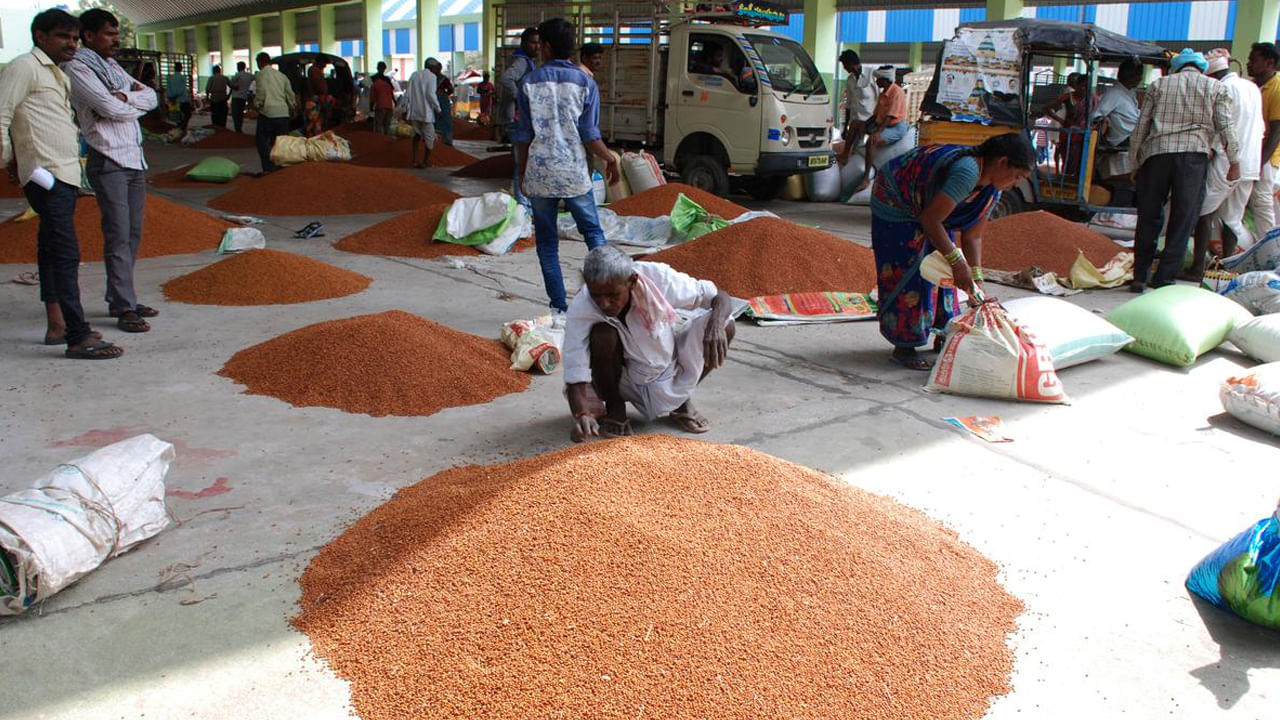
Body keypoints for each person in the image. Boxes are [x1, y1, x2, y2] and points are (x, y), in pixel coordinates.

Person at [0, 8, 122, 358]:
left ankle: (57, 326)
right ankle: (78, 335)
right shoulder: (24, 66)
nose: (71, 44)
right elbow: (3, 112)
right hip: (47, 175)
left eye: (73, 38)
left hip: (64, 174)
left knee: (51, 251)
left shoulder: (56, 73)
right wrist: (7, 158)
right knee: (66, 254)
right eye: (62, 37)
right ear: (40, 36)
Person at [870, 133, 1035, 370]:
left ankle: (942, 332)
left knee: (945, 269)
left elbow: (973, 235)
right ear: (1002, 162)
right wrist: (959, 264)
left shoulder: (993, 187)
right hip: (897, 198)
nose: (1016, 183)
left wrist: (975, 279)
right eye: (1018, 175)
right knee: (914, 270)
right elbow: (930, 219)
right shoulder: (967, 172)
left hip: (929, 210)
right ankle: (904, 345)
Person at [563, 246, 735, 442]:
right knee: (602, 334)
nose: (603, 304)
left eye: (612, 295)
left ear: (631, 281)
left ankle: (681, 399)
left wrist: (716, 325)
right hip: (626, 378)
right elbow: (574, 364)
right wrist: (581, 413)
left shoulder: (658, 277)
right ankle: (615, 407)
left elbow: (718, 297)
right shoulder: (582, 305)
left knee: (726, 325)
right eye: (597, 295)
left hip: (669, 364)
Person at [511, 17, 621, 315]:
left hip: (540, 175)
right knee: (594, 236)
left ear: (545, 46)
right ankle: (610, 301)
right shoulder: (586, 82)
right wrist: (610, 158)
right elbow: (590, 135)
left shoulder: (528, 83)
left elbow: (523, 135)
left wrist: (522, 174)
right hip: (573, 174)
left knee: (547, 244)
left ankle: (559, 309)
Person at [64, 7, 160, 335]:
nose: (116, 40)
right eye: (109, 33)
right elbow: (108, 108)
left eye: (117, 33)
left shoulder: (113, 66)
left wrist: (126, 98)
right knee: (118, 234)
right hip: (108, 160)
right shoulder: (78, 68)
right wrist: (126, 102)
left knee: (132, 234)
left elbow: (152, 96)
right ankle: (123, 305)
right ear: (89, 36)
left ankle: (120, 296)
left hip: (134, 158)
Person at [1128, 49, 1238, 293]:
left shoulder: (1159, 85)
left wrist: (1134, 164)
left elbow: (1140, 129)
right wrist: (1235, 161)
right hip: (1193, 158)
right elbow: (1227, 128)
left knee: (1149, 217)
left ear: (1176, 67)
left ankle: (1139, 276)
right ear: (1201, 68)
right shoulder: (1215, 87)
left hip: (1156, 156)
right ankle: (1164, 278)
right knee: (1183, 218)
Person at [1190, 49, 1264, 275]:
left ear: (1211, 76)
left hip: (1228, 161)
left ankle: (1197, 267)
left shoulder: (1222, 88)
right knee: (1232, 217)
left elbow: (1218, 126)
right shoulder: (1251, 87)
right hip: (1251, 162)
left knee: (1204, 211)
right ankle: (1227, 267)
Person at [501, 27, 540, 207]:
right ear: (524, 43)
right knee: (521, 162)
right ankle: (523, 204)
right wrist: (519, 98)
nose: (536, 46)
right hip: (517, 120)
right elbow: (506, 79)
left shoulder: (528, 61)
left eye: (539, 42)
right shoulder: (522, 62)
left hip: (520, 118)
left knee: (523, 161)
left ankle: (523, 200)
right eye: (533, 42)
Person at [854, 66, 907, 192]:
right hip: (881, 124)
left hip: (895, 127)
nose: (876, 82)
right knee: (855, 125)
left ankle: (865, 178)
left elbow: (889, 117)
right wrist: (864, 124)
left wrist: (877, 133)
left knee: (871, 142)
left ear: (885, 79)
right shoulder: (883, 93)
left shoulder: (897, 92)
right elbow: (876, 114)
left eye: (878, 79)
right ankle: (847, 154)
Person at [1090, 58, 1144, 180]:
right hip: (1123, 137)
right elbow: (1095, 116)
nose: (1140, 79)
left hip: (1133, 134)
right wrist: (1104, 122)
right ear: (1129, 76)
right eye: (1138, 75)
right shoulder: (1114, 93)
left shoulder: (1129, 93)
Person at [1248, 42, 1280, 239]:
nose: (1248, 63)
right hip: (1251, 154)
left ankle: (1268, 250)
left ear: (1269, 63)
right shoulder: (1253, 86)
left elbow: (1277, 131)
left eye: (1253, 60)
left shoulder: (1277, 88)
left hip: (1266, 157)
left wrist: (1259, 163)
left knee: (1261, 202)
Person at [252, 52, 297, 174]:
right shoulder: (281, 76)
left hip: (268, 113)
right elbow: (290, 95)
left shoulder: (261, 75)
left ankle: (268, 168)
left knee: (263, 142)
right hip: (283, 113)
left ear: (259, 62)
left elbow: (261, 92)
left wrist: (256, 105)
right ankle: (281, 169)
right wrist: (292, 109)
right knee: (281, 143)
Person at [837, 49, 877, 167]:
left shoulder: (871, 75)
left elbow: (880, 99)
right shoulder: (850, 80)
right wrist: (845, 127)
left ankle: (846, 157)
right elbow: (848, 104)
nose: (845, 68)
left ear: (851, 64)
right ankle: (850, 166)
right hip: (856, 121)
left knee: (859, 142)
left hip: (871, 121)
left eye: (845, 65)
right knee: (856, 150)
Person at [402, 59, 441, 168]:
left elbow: (407, 93)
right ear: (432, 67)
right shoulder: (432, 77)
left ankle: (414, 160)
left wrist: (405, 108)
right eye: (437, 68)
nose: (438, 71)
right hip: (426, 114)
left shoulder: (414, 75)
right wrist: (439, 109)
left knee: (416, 135)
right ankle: (425, 161)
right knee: (430, 138)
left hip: (414, 112)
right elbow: (430, 94)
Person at [303, 56, 332, 136]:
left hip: (314, 101)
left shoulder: (313, 70)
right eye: (324, 64)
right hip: (315, 102)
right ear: (320, 62)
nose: (325, 66)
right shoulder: (315, 71)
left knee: (314, 125)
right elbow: (320, 88)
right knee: (315, 127)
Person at [429, 58, 454, 145]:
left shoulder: (444, 79)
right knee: (434, 119)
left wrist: (443, 93)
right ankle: (435, 139)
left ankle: (447, 140)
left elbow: (451, 90)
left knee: (445, 119)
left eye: (438, 68)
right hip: (434, 101)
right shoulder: (431, 78)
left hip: (443, 102)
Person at [370, 63, 396, 134]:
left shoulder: (373, 79)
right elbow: (391, 92)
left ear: (377, 68)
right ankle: (386, 140)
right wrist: (395, 102)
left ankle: (380, 140)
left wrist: (371, 106)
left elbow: (372, 96)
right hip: (389, 105)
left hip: (380, 105)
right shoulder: (387, 80)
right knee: (387, 124)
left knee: (379, 124)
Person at [166, 60, 192, 129]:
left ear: (174, 68)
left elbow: (168, 89)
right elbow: (182, 90)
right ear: (181, 68)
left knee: (177, 115)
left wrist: (171, 98)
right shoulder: (182, 77)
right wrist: (175, 97)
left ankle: (179, 127)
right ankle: (182, 127)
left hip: (174, 100)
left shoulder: (170, 77)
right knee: (187, 114)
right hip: (183, 100)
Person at [230, 60, 254, 133]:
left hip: (235, 97)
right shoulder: (249, 76)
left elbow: (232, 86)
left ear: (238, 67)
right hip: (243, 98)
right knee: (240, 114)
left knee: (235, 114)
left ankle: (237, 128)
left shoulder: (236, 75)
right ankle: (239, 127)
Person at [204, 63, 231, 128]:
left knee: (215, 116)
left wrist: (207, 97)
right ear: (220, 71)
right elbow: (232, 86)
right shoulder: (224, 78)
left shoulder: (211, 78)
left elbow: (207, 89)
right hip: (223, 98)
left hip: (214, 98)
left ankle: (216, 129)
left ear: (213, 71)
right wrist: (229, 95)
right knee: (223, 116)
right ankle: (223, 129)